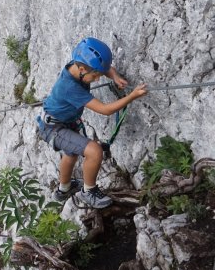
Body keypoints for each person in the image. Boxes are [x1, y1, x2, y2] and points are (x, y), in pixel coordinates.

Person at [37, 37, 147, 209]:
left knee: (71, 154)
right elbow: (105, 110)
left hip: (60, 121)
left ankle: (63, 189)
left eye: (99, 75)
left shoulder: (78, 65)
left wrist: (115, 77)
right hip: (54, 128)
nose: (97, 80)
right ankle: (88, 191)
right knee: (94, 151)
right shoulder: (69, 87)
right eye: (95, 76)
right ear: (81, 69)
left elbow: (106, 69)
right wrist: (131, 96)